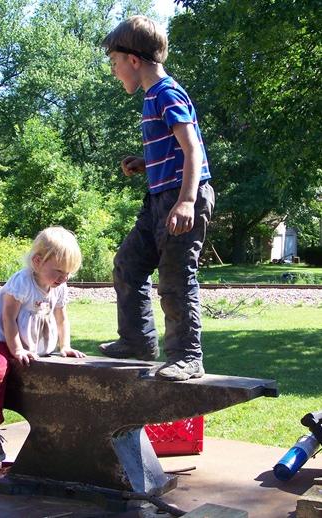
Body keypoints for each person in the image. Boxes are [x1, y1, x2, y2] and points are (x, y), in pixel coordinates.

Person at [98, 16, 215, 381]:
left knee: (176, 278)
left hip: (183, 198)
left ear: (133, 60)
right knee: (128, 264)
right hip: (159, 198)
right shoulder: (153, 97)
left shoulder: (166, 93)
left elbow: (193, 150)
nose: (114, 71)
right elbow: (173, 152)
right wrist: (145, 161)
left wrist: (185, 201)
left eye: (114, 62)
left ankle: (188, 356)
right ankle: (137, 342)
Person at [0, 226, 85, 462]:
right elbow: (8, 318)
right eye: (58, 271)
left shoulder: (58, 286)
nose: (63, 278)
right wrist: (16, 350)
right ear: (37, 261)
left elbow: (61, 317)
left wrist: (64, 345)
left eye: (68, 273)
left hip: (26, 343)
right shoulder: (22, 282)